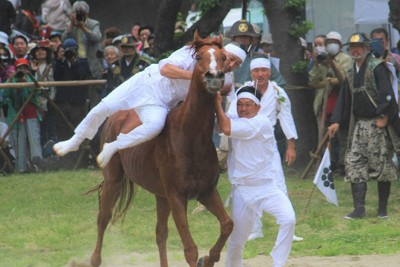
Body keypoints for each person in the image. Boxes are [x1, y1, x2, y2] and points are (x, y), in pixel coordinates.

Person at [53, 41, 247, 169]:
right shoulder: (193, 53)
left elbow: (217, 98)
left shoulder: (226, 80)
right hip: (145, 83)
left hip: (163, 103)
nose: (231, 64)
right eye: (230, 58)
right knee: (104, 107)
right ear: (222, 53)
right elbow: (165, 69)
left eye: (236, 63)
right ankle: (76, 140)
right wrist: (196, 76)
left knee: (154, 127)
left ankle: (114, 146)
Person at [215, 85, 296, 267]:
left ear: (258, 107)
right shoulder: (237, 119)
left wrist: (216, 100)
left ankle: (278, 264)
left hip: (267, 187)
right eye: (240, 105)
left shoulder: (261, 122)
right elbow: (224, 120)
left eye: (248, 105)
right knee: (237, 240)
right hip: (242, 191)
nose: (243, 109)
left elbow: (226, 127)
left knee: (288, 219)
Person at [327, 32, 400, 219]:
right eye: (352, 47)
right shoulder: (351, 72)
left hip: (377, 126)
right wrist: (335, 120)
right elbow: (344, 99)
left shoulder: (378, 68)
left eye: (358, 47)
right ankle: (359, 208)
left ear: (367, 48)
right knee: (354, 164)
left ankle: (382, 209)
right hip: (358, 126)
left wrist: (385, 117)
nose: (355, 50)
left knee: (382, 166)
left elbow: (388, 94)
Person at [227, 57, 301, 242]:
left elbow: (286, 117)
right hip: (245, 144)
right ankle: (254, 228)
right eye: (256, 70)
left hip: (267, 145)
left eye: (264, 70)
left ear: (270, 72)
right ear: (251, 72)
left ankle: (287, 228)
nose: (260, 74)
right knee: (247, 184)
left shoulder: (277, 91)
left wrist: (291, 145)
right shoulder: (244, 91)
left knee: (278, 181)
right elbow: (231, 115)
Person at [308, 31, 352, 174]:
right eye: (329, 42)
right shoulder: (320, 60)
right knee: (326, 137)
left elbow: (343, 79)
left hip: (341, 103)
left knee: (342, 136)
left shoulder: (345, 59)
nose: (332, 45)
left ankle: (343, 164)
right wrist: (316, 62)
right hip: (323, 103)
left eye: (335, 42)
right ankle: (329, 163)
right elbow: (312, 82)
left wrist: (330, 67)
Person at [2, 58, 43, 172]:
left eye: (25, 68)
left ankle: (37, 165)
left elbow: (37, 92)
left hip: (30, 113)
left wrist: (28, 79)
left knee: (34, 139)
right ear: (15, 69)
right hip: (15, 115)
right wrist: (10, 81)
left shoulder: (31, 79)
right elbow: (4, 96)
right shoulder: (12, 80)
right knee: (19, 143)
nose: (22, 70)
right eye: (20, 68)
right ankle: (21, 168)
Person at [62, 0, 102, 80]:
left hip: (90, 60)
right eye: (77, 13)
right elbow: (64, 41)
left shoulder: (94, 24)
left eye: (82, 13)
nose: (80, 15)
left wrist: (83, 28)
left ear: (87, 13)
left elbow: (97, 38)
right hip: (76, 59)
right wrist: (71, 26)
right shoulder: (69, 25)